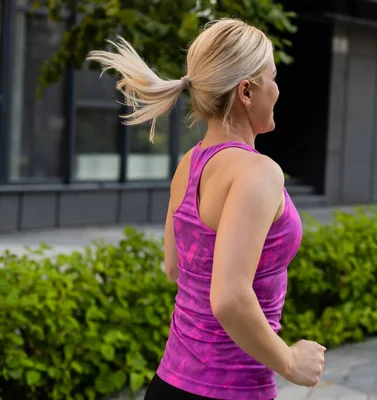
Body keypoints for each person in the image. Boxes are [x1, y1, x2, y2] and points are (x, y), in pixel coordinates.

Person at [87, 18, 326, 400]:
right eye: (273, 78)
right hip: (229, 393)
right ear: (246, 91)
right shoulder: (258, 172)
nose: (278, 90)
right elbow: (229, 296)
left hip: (168, 385)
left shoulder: (189, 165)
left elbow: (173, 267)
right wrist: (289, 361)